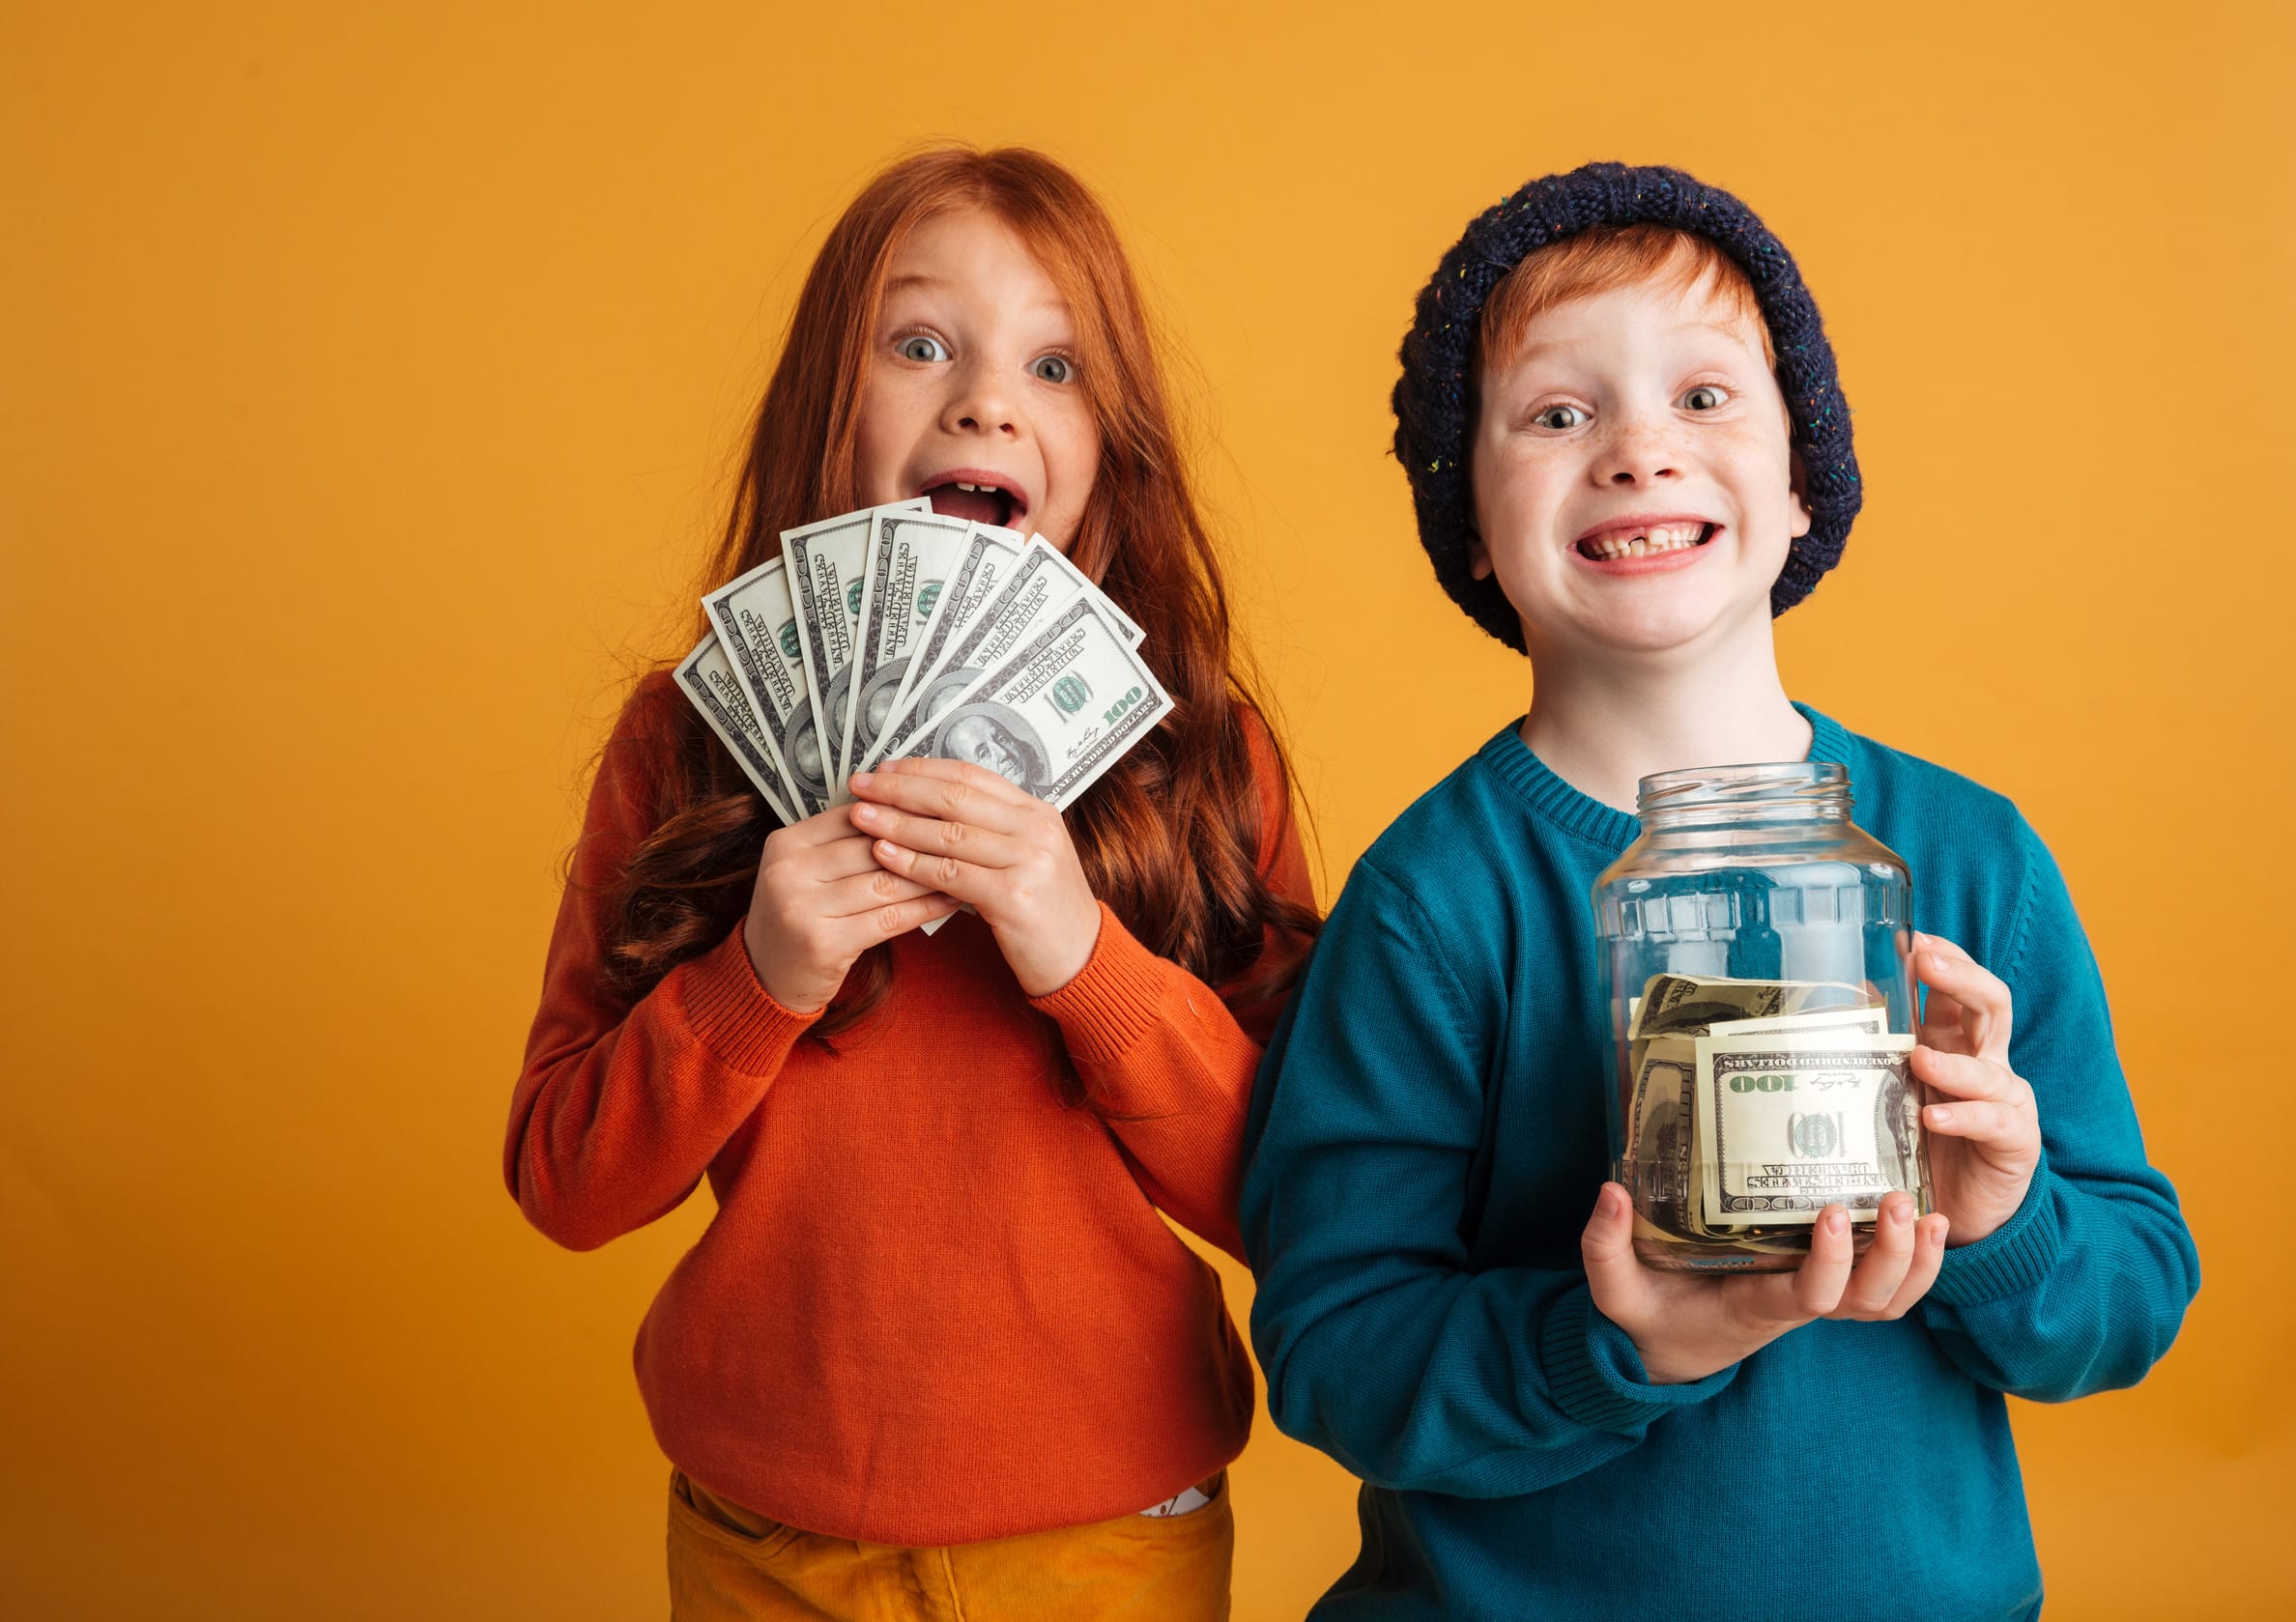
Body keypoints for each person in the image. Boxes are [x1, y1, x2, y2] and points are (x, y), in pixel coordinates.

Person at [1239, 163, 2198, 1621]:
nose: (1636, 451)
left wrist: (2006, 1226)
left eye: (1701, 398)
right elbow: (1335, 1352)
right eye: (1557, 415)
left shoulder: (1968, 856)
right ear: (1473, 529)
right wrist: (1616, 1344)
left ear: (1804, 473)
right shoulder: (1432, 902)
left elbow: (2126, 1301)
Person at [505, 145, 1317, 1621]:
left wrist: (1083, 953)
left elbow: (1296, 1194)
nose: (986, 400)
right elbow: (565, 1180)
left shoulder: (1202, 757)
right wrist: (757, 980)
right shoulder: (685, 741)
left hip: (1115, 1536)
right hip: (762, 1539)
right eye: (921, 343)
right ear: (832, 404)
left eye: (1056, 364)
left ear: (1114, 440)